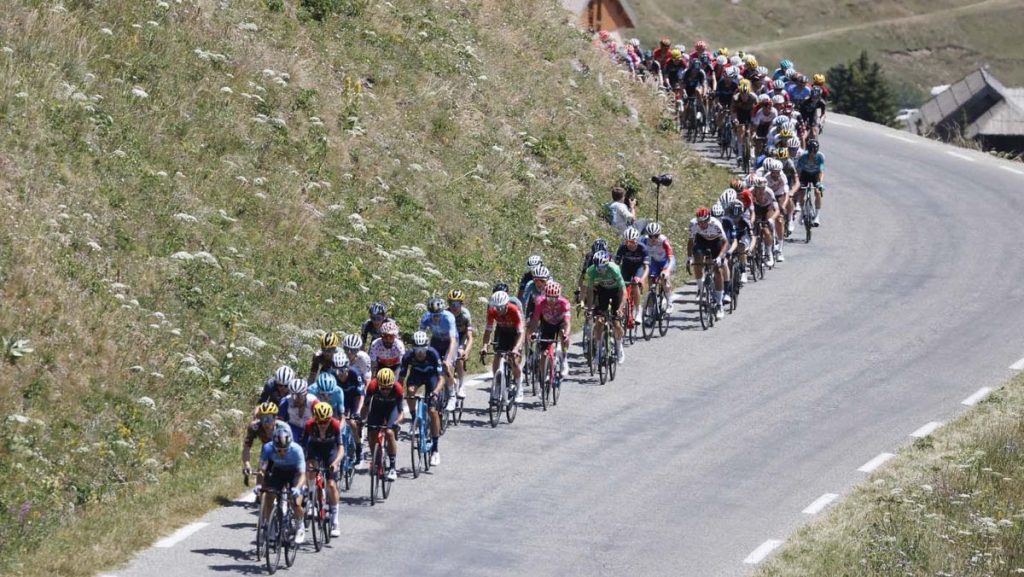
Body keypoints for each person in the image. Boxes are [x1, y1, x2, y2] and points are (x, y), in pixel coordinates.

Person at [398, 331, 443, 466]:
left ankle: (435, 449)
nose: (420, 352)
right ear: (413, 348)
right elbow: (401, 379)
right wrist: (398, 394)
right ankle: (414, 419)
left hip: (432, 378)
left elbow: (441, 378)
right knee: (410, 391)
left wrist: (435, 392)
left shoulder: (433, 354)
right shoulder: (408, 356)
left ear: (426, 347)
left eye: (422, 349)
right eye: (417, 349)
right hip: (416, 376)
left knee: (433, 411)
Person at [258, 427, 307, 544]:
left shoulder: (297, 450)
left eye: (285, 450)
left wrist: (298, 488)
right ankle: (272, 527)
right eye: (278, 450)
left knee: (295, 502)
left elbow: (302, 474)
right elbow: (262, 470)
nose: (282, 453)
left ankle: (300, 525)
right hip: (278, 471)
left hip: (294, 473)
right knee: (269, 496)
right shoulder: (268, 448)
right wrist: (259, 485)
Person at [303, 403, 343, 537]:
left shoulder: (335, 425)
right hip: (314, 448)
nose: (322, 425)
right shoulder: (309, 425)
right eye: (319, 422)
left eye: (325, 422)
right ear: (315, 419)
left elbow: (341, 449)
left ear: (330, 419)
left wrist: (336, 463)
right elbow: (303, 446)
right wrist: (304, 462)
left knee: (331, 485)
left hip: (330, 451)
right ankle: (312, 498)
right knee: (310, 468)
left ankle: (335, 519)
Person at [479, 291, 525, 402]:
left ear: (506, 304)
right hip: (503, 332)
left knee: (514, 360)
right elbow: (488, 331)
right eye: (497, 308)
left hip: (516, 333)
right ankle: (497, 384)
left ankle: (519, 387)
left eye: (501, 308)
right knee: (498, 355)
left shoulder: (514, 310)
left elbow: (521, 333)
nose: (499, 311)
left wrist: (516, 348)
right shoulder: (492, 311)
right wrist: (485, 346)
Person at [360, 368, 404, 482]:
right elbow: (365, 407)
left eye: (388, 388)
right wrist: (361, 420)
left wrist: (396, 423)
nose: (385, 391)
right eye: (382, 388)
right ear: (378, 385)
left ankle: (393, 467)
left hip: (392, 410)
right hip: (377, 409)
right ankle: (376, 460)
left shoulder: (398, 388)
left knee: (389, 432)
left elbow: (401, 412)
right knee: (372, 433)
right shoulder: (372, 386)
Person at [686, 207, 730, 320]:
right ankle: (701, 289)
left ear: (709, 219)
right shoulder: (694, 224)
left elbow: (725, 243)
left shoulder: (716, 224)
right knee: (697, 261)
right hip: (702, 241)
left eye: (703, 222)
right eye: (699, 222)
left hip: (716, 243)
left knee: (717, 270)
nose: (701, 225)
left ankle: (719, 304)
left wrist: (720, 257)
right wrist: (689, 257)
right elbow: (691, 241)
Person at [583, 250, 626, 364]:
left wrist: (620, 308)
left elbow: (623, 291)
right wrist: (589, 308)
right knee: (599, 321)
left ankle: (619, 345)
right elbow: (590, 291)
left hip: (616, 291)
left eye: (603, 267)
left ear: (608, 263)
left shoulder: (614, 269)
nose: (601, 270)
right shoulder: (591, 271)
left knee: (616, 323)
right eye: (599, 267)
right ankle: (598, 351)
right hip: (603, 291)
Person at [419, 297, 458, 412]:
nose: (435, 318)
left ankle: (452, 395)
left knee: (446, 367)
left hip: (450, 342)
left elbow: (453, 341)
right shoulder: (426, 317)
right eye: (433, 315)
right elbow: (421, 336)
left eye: (438, 315)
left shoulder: (449, 317)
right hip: (436, 341)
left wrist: (448, 359)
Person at [525, 281, 572, 377]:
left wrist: (566, 334)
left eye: (554, 298)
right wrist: (531, 332)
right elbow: (535, 320)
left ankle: (564, 359)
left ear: (558, 296)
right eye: (549, 297)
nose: (551, 300)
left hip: (560, 323)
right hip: (547, 324)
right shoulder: (540, 302)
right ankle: (543, 376)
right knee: (544, 353)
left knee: (563, 334)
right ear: (545, 295)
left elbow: (567, 322)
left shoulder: (564, 303)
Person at [328, 352, 365, 466]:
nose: (340, 374)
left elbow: (361, 396)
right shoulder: (331, 375)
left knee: (352, 422)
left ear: (347, 367)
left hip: (353, 398)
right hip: (340, 400)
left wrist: (358, 412)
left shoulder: (355, 374)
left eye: (343, 370)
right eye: (337, 371)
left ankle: (358, 447)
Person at [242, 402, 289, 488]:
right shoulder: (254, 427)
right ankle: (259, 491)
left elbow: (291, 448)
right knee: (261, 469)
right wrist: (247, 464)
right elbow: (246, 447)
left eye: (269, 419)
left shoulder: (283, 427)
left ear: (275, 418)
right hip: (267, 449)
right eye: (263, 419)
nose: (266, 423)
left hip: (283, 449)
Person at [615, 226, 650, 323]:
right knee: (620, 286)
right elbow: (616, 266)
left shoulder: (643, 248)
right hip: (626, 268)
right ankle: (621, 308)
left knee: (635, 283)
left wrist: (642, 279)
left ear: (637, 240)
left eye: (632, 242)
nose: (630, 245)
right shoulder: (622, 248)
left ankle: (638, 309)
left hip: (638, 268)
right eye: (627, 242)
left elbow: (646, 267)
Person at [641, 221, 676, 313]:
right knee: (651, 285)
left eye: (656, 236)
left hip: (665, 262)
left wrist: (667, 270)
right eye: (650, 236)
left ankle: (670, 303)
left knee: (665, 280)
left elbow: (671, 258)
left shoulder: (664, 241)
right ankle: (651, 310)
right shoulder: (644, 240)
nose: (653, 238)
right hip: (654, 262)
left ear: (659, 234)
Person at [447, 289, 474, 399]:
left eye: (457, 304)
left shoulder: (465, 315)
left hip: (461, 338)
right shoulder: (446, 314)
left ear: (461, 304)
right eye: (451, 303)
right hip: (449, 338)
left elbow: (470, 337)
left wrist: (466, 351)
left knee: (459, 354)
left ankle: (461, 385)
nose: (454, 306)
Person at [278, 378, 319, 443]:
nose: (296, 399)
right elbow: (279, 421)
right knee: (291, 443)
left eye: (299, 396)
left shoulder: (313, 402)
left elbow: (320, 419)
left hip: (309, 427)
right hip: (293, 427)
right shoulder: (286, 401)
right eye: (293, 396)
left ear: (305, 394)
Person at [750, 175, 779, 267]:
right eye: (759, 188)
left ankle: (769, 252)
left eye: (763, 188)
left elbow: (777, 210)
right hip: (755, 209)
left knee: (766, 231)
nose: (761, 190)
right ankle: (754, 252)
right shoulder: (750, 193)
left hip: (767, 208)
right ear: (755, 187)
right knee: (753, 231)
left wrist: (771, 219)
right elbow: (747, 209)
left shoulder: (769, 192)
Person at [796, 139, 825, 227]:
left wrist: (820, 183)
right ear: (808, 151)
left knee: (817, 192)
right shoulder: (803, 156)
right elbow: (798, 171)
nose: (813, 154)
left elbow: (821, 171)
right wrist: (798, 182)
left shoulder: (820, 156)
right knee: (801, 193)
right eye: (811, 152)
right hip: (805, 174)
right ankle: (803, 213)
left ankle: (817, 216)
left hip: (815, 175)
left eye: (815, 152)